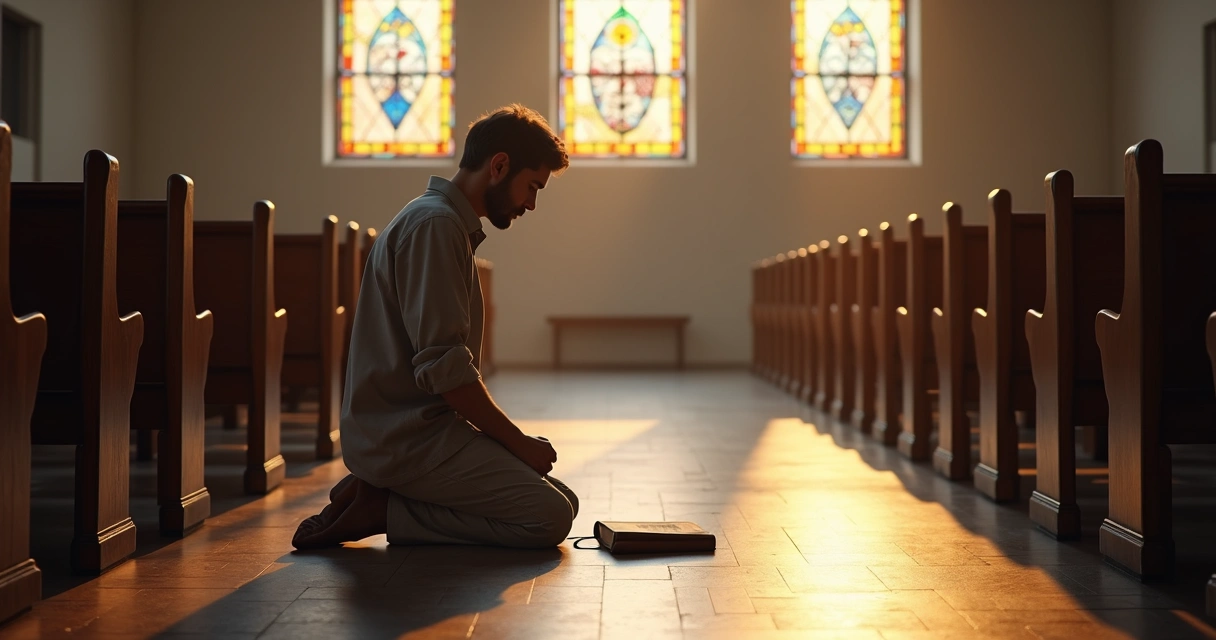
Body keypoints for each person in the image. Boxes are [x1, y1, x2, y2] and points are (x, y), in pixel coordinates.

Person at [292, 104, 576, 550]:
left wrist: (511, 444)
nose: (531, 204)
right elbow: (444, 368)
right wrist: (517, 442)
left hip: (425, 431)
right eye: (532, 187)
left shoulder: (441, 220)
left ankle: (380, 492)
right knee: (547, 518)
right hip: (406, 439)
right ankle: (383, 508)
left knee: (565, 501)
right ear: (500, 166)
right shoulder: (436, 225)